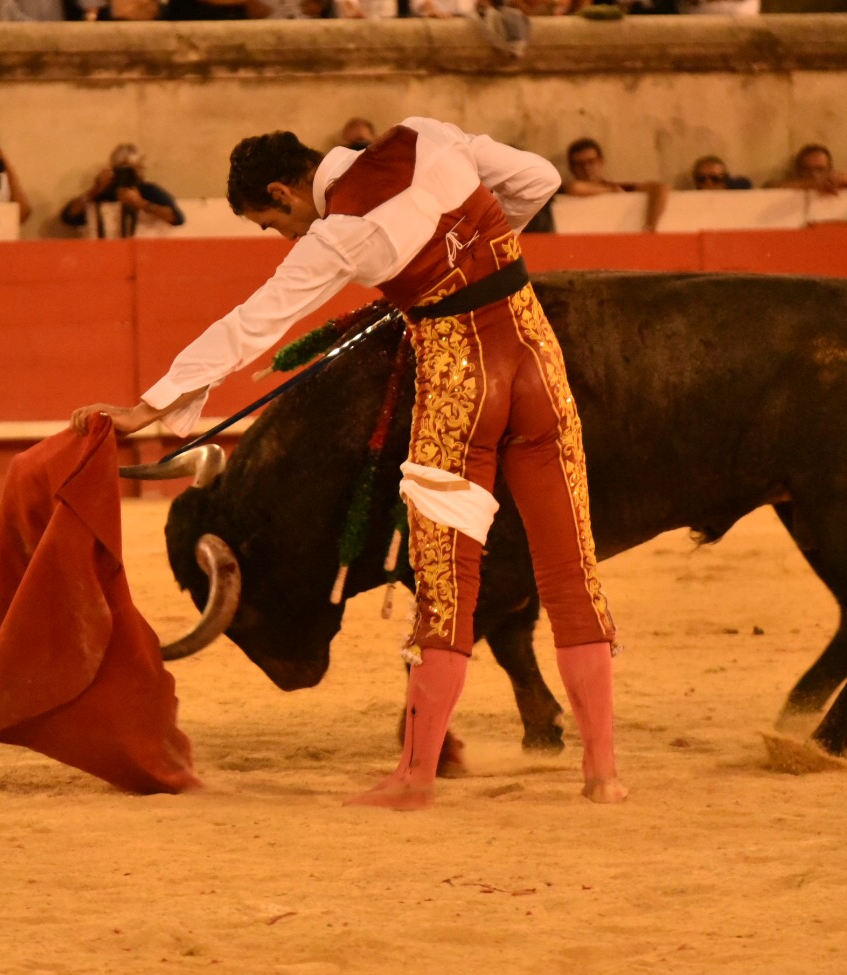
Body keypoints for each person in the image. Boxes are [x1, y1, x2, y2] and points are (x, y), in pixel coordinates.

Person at [70, 118, 627, 809]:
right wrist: (478, 262)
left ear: (283, 192)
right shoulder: (424, 136)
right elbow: (538, 179)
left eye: (273, 224)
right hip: (538, 365)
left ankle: (415, 777)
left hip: (461, 390)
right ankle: (603, 774)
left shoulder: (340, 233)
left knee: (447, 584)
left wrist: (149, 407)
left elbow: (254, 322)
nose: (285, 237)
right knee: (570, 573)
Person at [58, 144, 184, 238]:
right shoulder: (103, 192)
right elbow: (68, 217)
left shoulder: (149, 191)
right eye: (122, 169)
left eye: (131, 169)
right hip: (106, 255)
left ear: (140, 169)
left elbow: (176, 218)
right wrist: (95, 190)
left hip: (144, 254)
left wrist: (141, 203)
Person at [561, 137, 668, 230]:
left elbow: (659, 188)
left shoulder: (619, 187)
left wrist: (650, 226)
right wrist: (611, 191)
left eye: (591, 162)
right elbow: (574, 188)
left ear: (601, 162)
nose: (586, 168)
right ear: (571, 168)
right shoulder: (566, 190)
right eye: (580, 164)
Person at [768, 143, 847, 195]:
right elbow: (769, 188)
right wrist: (814, 184)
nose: (813, 174)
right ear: (797, 171)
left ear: (830, 170)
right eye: (806, 169)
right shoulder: (789, 187)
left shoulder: (836, 184)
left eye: (820, 169)